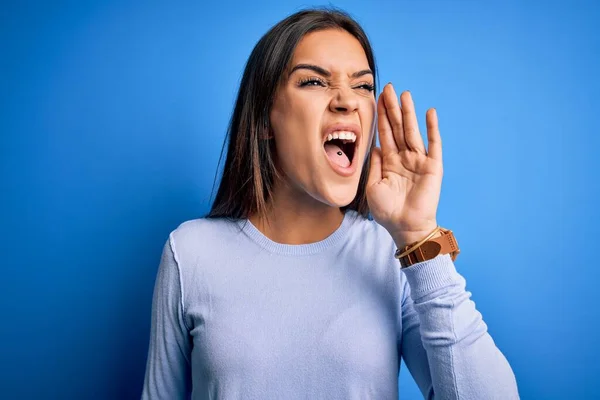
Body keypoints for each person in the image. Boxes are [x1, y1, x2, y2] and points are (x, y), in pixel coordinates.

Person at [141, 8, 519, 400]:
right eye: (314, 81)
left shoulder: (391, 254)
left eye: (363, 86)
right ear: (264, 119)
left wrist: (420, 236)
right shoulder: (190, 253)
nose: (346, 101)